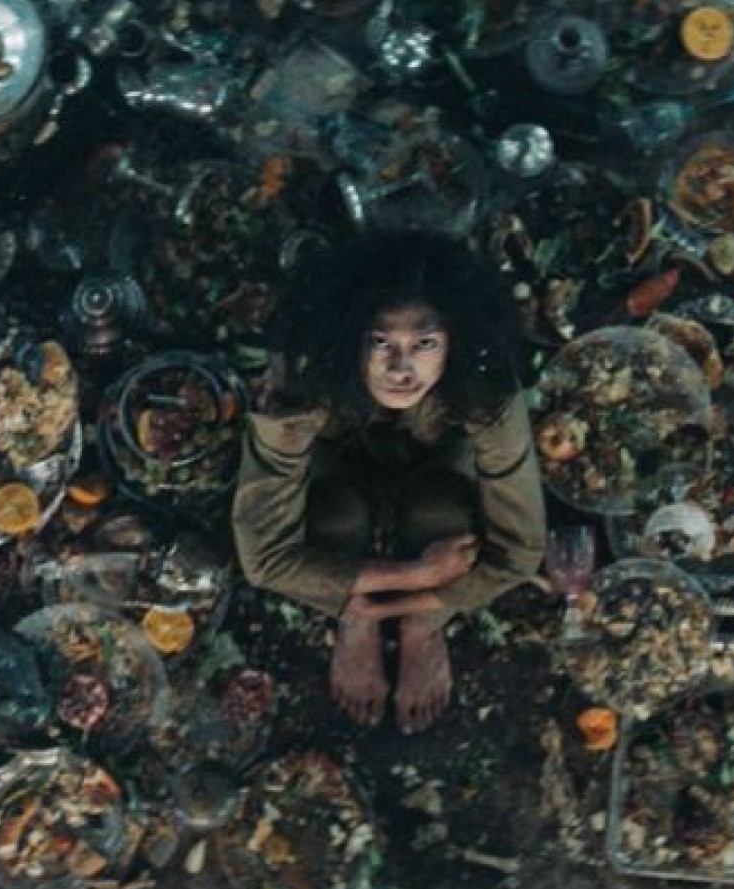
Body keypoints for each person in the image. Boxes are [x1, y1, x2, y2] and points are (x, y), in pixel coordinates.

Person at [232, 231, 546, 734]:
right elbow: (264, 560)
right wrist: (414, 576)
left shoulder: (482, 384)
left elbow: (521, 552)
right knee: (338, 516)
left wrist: (419, 608)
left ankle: (424, 630)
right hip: (335, 465)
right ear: (349, 337)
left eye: (425, 344)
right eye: (381, 343)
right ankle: (355, 625)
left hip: (440, 468)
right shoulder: (302, 380)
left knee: (440, 513)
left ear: (454, 342)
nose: (401, 368)